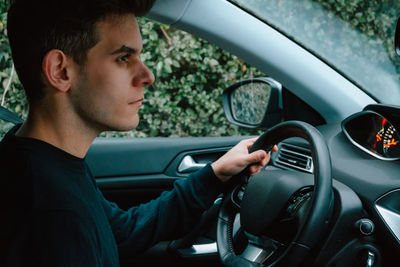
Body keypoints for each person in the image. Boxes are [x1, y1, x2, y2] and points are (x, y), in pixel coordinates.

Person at [0, 0, 277, 266]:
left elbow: (123, 233)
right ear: (61, 71)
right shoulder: (50, 214)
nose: (148, 76)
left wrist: (215, 175)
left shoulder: (43, 161)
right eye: (123, 57)